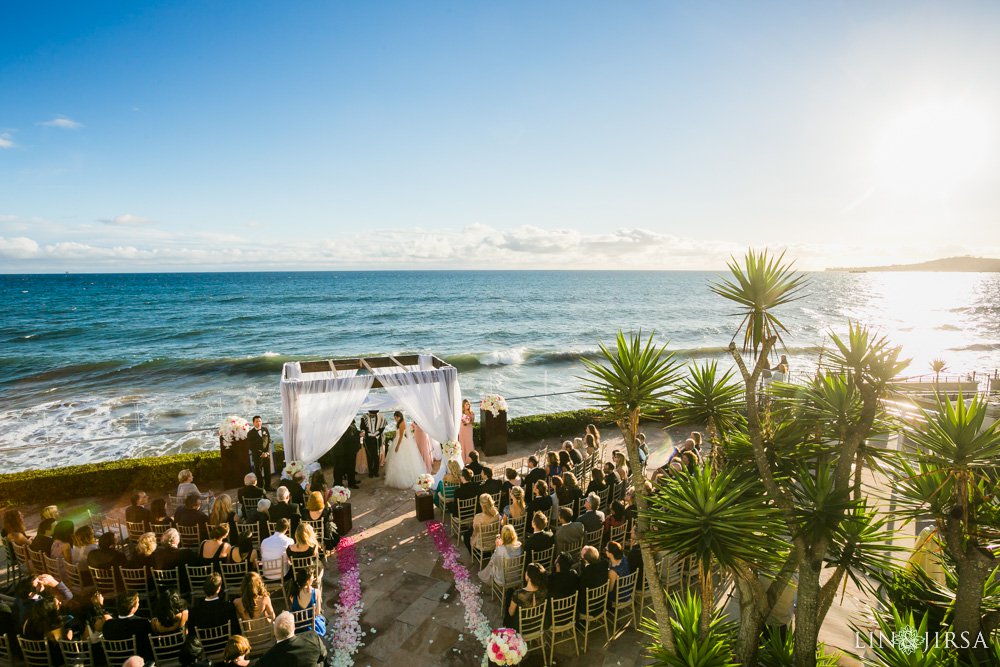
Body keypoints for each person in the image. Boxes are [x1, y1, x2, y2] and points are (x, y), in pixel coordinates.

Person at [256, 612, 327, 667]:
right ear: (294, 628)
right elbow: (324, 656)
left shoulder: (269, 657)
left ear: (275, 633)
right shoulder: (313, 638)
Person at [103, 592, 154, 662]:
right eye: (138, 602)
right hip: (139, 663)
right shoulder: (143, 623)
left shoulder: (108, 625)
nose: (139, 604)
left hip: (117, 662)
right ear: (133, 608)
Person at [384, 411, 429, 490]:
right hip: (396, 440)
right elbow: (397, 433)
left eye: (396, 417)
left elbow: (401, 436)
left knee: (402, 459)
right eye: (394, 418)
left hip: (400, 441)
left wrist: (397, 446)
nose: (395, 419)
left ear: (399, 416)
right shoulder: (398, 423)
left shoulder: (402, 423)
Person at [505, 562, 548, 630]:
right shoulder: (544, 591)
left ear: (529, 576)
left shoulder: (518, 594)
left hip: (522, 628)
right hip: (537, 625)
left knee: (509, 593)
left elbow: (511, 613)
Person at [288, 567, 326, 636]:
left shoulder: (293, 595)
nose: (313, 578)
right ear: (308, 580)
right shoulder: (316, 592)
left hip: (298, 627)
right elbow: (317, 613)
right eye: (312, 577)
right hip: (312, 626)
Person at [578, 545, 609, 612]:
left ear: (585, 560)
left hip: (590, 608)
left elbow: (580, 589)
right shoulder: (604, 564)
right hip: (603, 603)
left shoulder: (586, 573)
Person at [246, 416, 273, 491]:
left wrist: (267, 452)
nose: (258, 423)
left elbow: (269, 441)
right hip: (257, 456)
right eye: (257, 421)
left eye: (260, 421)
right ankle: (261, 487)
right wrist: (261, 453)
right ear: (253, 423)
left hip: (266, 455)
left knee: (267, 471)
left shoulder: (265, 429)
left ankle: (268, 486)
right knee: (259, 472)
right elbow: (251, 446)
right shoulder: (250, 433)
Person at [332, 420, 362, 489]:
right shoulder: (341, 423)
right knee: (339, 468)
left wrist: (359, 433)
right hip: (342, 450)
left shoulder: (351, 422)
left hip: (350, 450)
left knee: (351, 467)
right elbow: (348, 437)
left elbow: (354, 432)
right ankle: (338, 484)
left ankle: (351, 481)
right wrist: (358, 436)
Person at [359, 410, 387, 479]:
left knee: (376, 456)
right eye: (371, 414)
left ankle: (376, 471)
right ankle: (370, 472)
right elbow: (362, 427)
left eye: (374, 414)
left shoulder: (381, 417)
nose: (373, 415)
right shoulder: (364, 417)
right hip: (368, 439)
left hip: (377, 439)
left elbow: (382, 427)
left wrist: (376, 433)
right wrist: (368, 434)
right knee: (369, 456)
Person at [459, 399, 475, 464]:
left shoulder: (471, 413)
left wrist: (468, 421)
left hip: (469, 429)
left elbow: (473, 421)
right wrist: (463, 421)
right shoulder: (460, 413)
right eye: (466, 404)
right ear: (463, 405)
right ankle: (462, 459)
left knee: (469, 442)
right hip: (462, 429)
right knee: (462, 443)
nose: (468, 405)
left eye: (468, 404)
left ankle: (470, 459)